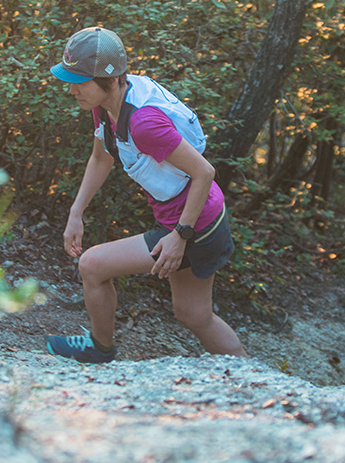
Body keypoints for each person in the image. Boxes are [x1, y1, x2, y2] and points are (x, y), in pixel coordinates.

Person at [45, 27, 246, 363]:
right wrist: (75, 212)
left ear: (109, 79)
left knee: (92, 264)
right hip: (201, 218)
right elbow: (101, 157)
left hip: (195, 225)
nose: (71, 89)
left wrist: (179, 236)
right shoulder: (109, 104)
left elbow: (204, 172)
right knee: (194, 315)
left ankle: (100, 347)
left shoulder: (143, 123)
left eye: (79, 81)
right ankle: (255, 378)